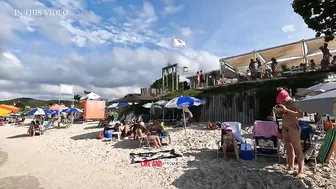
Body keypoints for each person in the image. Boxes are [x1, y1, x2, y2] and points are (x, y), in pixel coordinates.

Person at [273, 89, 304, 178]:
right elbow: (282, 115)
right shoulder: (285, 103)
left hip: (293, 127)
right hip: (285, 127)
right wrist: (278, 112)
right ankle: (291, 166)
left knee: (297, 149)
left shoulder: (295, 102)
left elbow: (300, 115)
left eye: (282, 101)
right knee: (289, 148)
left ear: (286, 97)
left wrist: (287, 110)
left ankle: (301, 171)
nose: (281, 103)